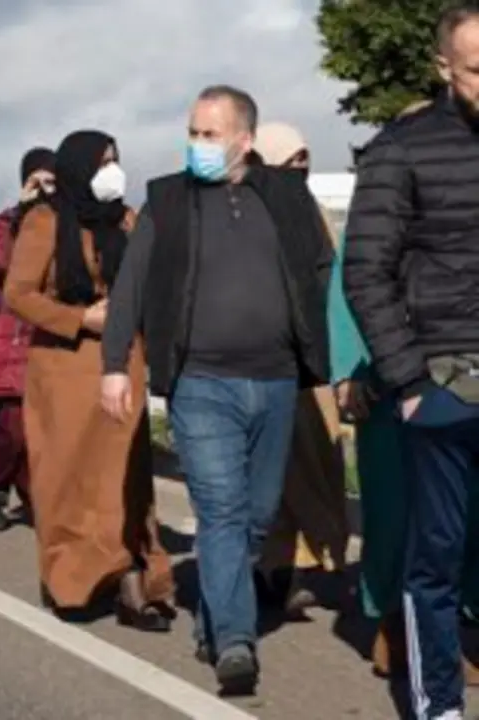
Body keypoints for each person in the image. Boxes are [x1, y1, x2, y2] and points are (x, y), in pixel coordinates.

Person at [101, 85, 332, 693]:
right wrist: (115, 363)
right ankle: (236, 640)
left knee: (256, 516)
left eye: (210, 134)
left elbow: (322, 272)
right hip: (201, 382)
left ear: (245, 140)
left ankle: (213, 616)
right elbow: (130, 285)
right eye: (193, 132)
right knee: (223, 511)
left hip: (278, 379)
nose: (198, 144)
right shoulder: (168, 200)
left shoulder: (286, 197)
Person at [343, 8, 479, 716]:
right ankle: (439, 706)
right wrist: (410, 380)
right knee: (437, 557)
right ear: (445, 70)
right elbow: (364, 271)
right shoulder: (403, 148)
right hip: (444, 386)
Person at [5, 131, 175, 634]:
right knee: (67, 477)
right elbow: (20, 294)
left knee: (125, 478)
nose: (112, 172)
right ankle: (71, 579)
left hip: (123, 361)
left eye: (116, 161)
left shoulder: (126, 219)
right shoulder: (45, 220)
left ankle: (131, 580)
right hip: (64, 367)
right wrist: (81, 318)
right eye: (102, 163)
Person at [250, 123, 351, 617]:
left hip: (317, 365)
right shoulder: (246, 213)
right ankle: (273, 568)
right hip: (269, 365)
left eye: (305, 159)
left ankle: (297, 566)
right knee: (279, 473)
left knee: (317, 466)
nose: (301, 169)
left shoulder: (311, 212)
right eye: (291, 160)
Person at [0, 147, 56, 531]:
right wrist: (23, 216)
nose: (43, 190)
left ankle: (35, 496)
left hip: (54, 336)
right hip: (17, 336)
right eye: (35, 182)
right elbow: (2, 262)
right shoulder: (3, 223)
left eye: (50, 182)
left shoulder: (66, 221)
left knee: (43, 432)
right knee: (13, 428)